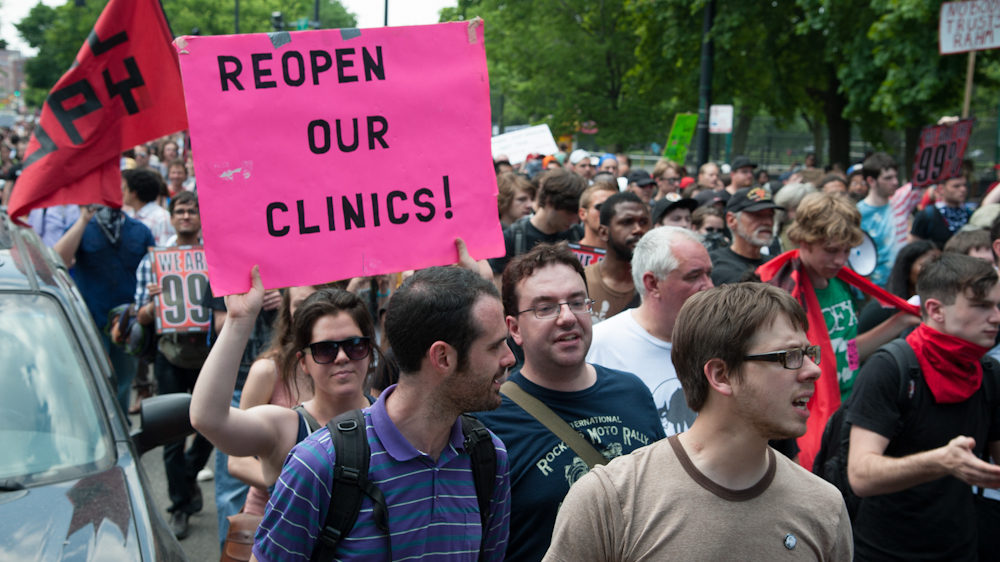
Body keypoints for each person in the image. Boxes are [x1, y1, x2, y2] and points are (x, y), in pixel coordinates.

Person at [545, 283, 852, 561]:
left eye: (810, 353)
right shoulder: (611, 499)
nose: (812, 370)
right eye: (790, 356)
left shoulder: (824, 507)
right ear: (721, 375)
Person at [253, 266, 514, 561]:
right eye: (494, 347)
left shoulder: (489, 456)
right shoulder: (318, 463)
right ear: (442, 357)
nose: (510, 358)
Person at [476, 243, 664, 561]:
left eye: (577, 302)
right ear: (514, 329)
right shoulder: (489, 418)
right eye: (545, 307)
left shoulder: (632, 392)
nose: (567, 317)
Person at [847, 253, 1000, 560]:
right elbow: (861, 475)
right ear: (935, 309)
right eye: (981, 306)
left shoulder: (988, 372)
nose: (996, 316)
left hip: (961, 548)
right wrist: (941, 461)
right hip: (885, 552)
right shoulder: (891, 367)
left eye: (998, 305)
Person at [758, 192, 920, 469]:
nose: (840, 260)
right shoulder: (783, 290)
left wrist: (901, 322)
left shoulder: (840, 283)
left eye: (846, 250)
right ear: (802, 240)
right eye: (831, 250)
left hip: (847, 409)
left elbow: (848, 349)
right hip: (810, 415)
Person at [133, 191, 212, 538]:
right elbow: (141, 315)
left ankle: (189, 474)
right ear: (172, 216)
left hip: (208, 353)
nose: (185, 216)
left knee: (211, 425)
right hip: (170, 353)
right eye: (180, 211)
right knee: (172, 433)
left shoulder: (214, 256)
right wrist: (153, 305)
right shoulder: (155, 260)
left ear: (200, 216)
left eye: (192, 211)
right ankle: (180, 505)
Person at [587, 227, 712, 437]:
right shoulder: (599, 343)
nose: (708, 286)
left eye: (709, 274)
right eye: (694, 276)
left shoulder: (719, 342)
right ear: (652, 283)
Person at [54, 204, 155, 415]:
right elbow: (59, 259)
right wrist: (83, 220)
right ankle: (98, 425)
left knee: (124, 377)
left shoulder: (140, 230)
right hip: (92, 319)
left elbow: (155, 266)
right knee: (93, 378)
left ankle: (120, 424)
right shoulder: (83, 226)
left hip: (128, 322)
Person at [489, 170, 585, 278]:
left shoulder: (578, 234)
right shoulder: (512, 238)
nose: (574, 221)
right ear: (550, 202)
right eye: (569, 213)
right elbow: (498, 284)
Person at [584, 192, 650, 323]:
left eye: (643, 222)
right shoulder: (582, 283)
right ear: (603, 232)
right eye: (627, 222)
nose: (638, 229)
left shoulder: (658, 284)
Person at [709, 186, 783, 285]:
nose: (768, 222)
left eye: (770, 215)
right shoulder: (712, 265)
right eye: (757, 215)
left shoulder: (777, 265)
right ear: (732, 220)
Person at [858, 152, 904, 287]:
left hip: (900, 286)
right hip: (872, 290)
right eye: (888, 178)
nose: (895, 182)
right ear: (871, 181)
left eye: (896, 176)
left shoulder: (899, 207)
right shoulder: (858, 214)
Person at [910, 174, 972, 248]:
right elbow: (914, 248)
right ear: (941, 189)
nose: (963, 189)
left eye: (965, 185)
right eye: (956, 186)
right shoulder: (926, 216)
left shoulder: (970, 214)